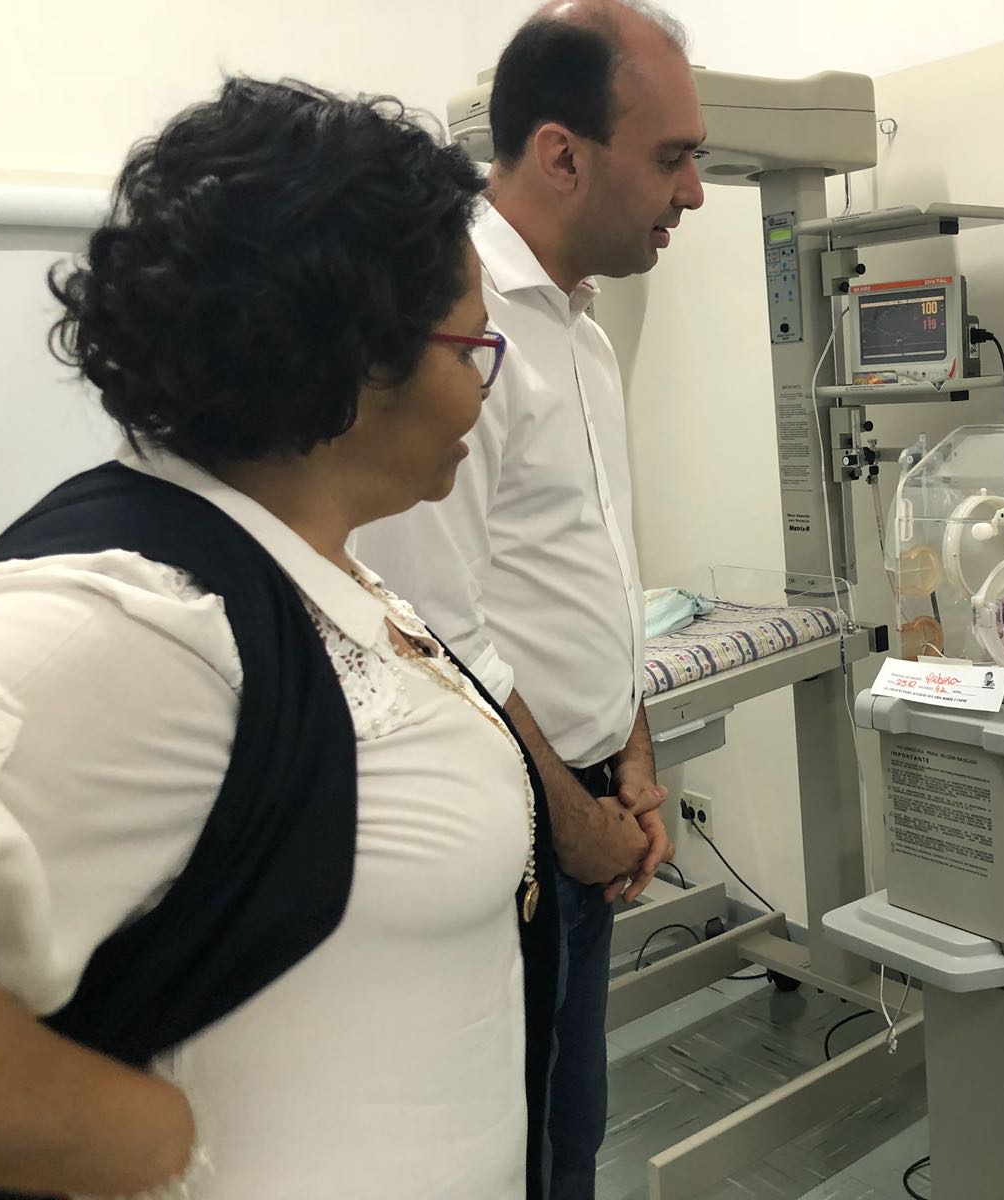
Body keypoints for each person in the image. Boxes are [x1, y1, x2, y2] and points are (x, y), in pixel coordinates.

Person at [0, 78, 558, 1198]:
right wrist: (150, 1140)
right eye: (469, 348)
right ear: (353, 360)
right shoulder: (133, 620)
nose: (484, 392)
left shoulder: (308, 563)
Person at [353, 2, 704, 1194]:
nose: (693, 192)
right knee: (515, 1148)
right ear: (562, 154)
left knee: (568, 1126)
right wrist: (567, 813)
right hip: (509, 817)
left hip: (587, 792)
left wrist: (634, 756)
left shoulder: (582, 328)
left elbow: (593, 565)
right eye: (671, 156)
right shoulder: (460, 329)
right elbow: (430, 624)